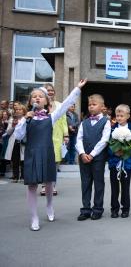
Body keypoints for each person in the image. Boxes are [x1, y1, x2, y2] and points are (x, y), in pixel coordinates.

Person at [14, 79, 87, 231]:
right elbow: (19, 136)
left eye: (40, 96)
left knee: (48, 183)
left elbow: (66, 104)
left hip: (47, 153)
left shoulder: (51, 117)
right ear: (30, 101)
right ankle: (34, 217)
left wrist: (77, 89)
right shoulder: (26, 119)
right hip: (32, 154)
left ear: (47, 101)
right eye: (34, 96)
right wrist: (24, 119)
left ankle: (49, 205)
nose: (37, 98)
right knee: (32, 186)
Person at [75, 94, 111, 221]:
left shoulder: (106, 122)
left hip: (98, 158)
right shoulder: (84, 122)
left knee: (98, 183)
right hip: (83, 157)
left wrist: (92, 154)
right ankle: (85, 209)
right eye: (89, 105)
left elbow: (104, 140)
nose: (91, 107)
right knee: (85, 183)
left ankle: (97, 209)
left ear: (102, 107)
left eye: (94, 104)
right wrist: (82, 153)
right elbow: (78, 139)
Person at [108, 104, 131, 219]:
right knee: (114, 187)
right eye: (117, 115)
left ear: (128, 116)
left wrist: (126, 150)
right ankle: (114, 209)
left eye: (122, 115)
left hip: (127, 163)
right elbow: (108, 144)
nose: (119, 118)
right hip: (114, 163)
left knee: (125, 187)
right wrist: (115, 151)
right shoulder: (112, 128)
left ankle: (125, 209)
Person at [42, 83, 69, 196]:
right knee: (44, 161)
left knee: (56, 161)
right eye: (47, 90)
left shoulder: (59, 105)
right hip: (43, 137)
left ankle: (52, 185)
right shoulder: (41, 105)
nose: (50, 92)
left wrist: (66, 135)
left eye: (52, 90)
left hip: (57, 137)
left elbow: (63, 120)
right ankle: (44, 186)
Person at [4, 103, 27, 182]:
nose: (18, 111)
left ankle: (24, 177)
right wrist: (13, 126)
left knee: (24, 160)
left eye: (20, 109)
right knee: (15, 160)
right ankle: (15, 176)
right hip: (14, 141)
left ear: (24, 111)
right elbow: (8, 132)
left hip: (23, 141)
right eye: (16, 110)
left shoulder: (26, 119)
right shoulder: (12, 119)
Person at [0, 110, 11, 177]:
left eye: (6, 114)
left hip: (7, 140)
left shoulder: (9, 122)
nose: (4, 115)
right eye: (3, 114)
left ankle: (2, 171)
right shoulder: (0, 122)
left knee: (4, 156)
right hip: (1, 139)